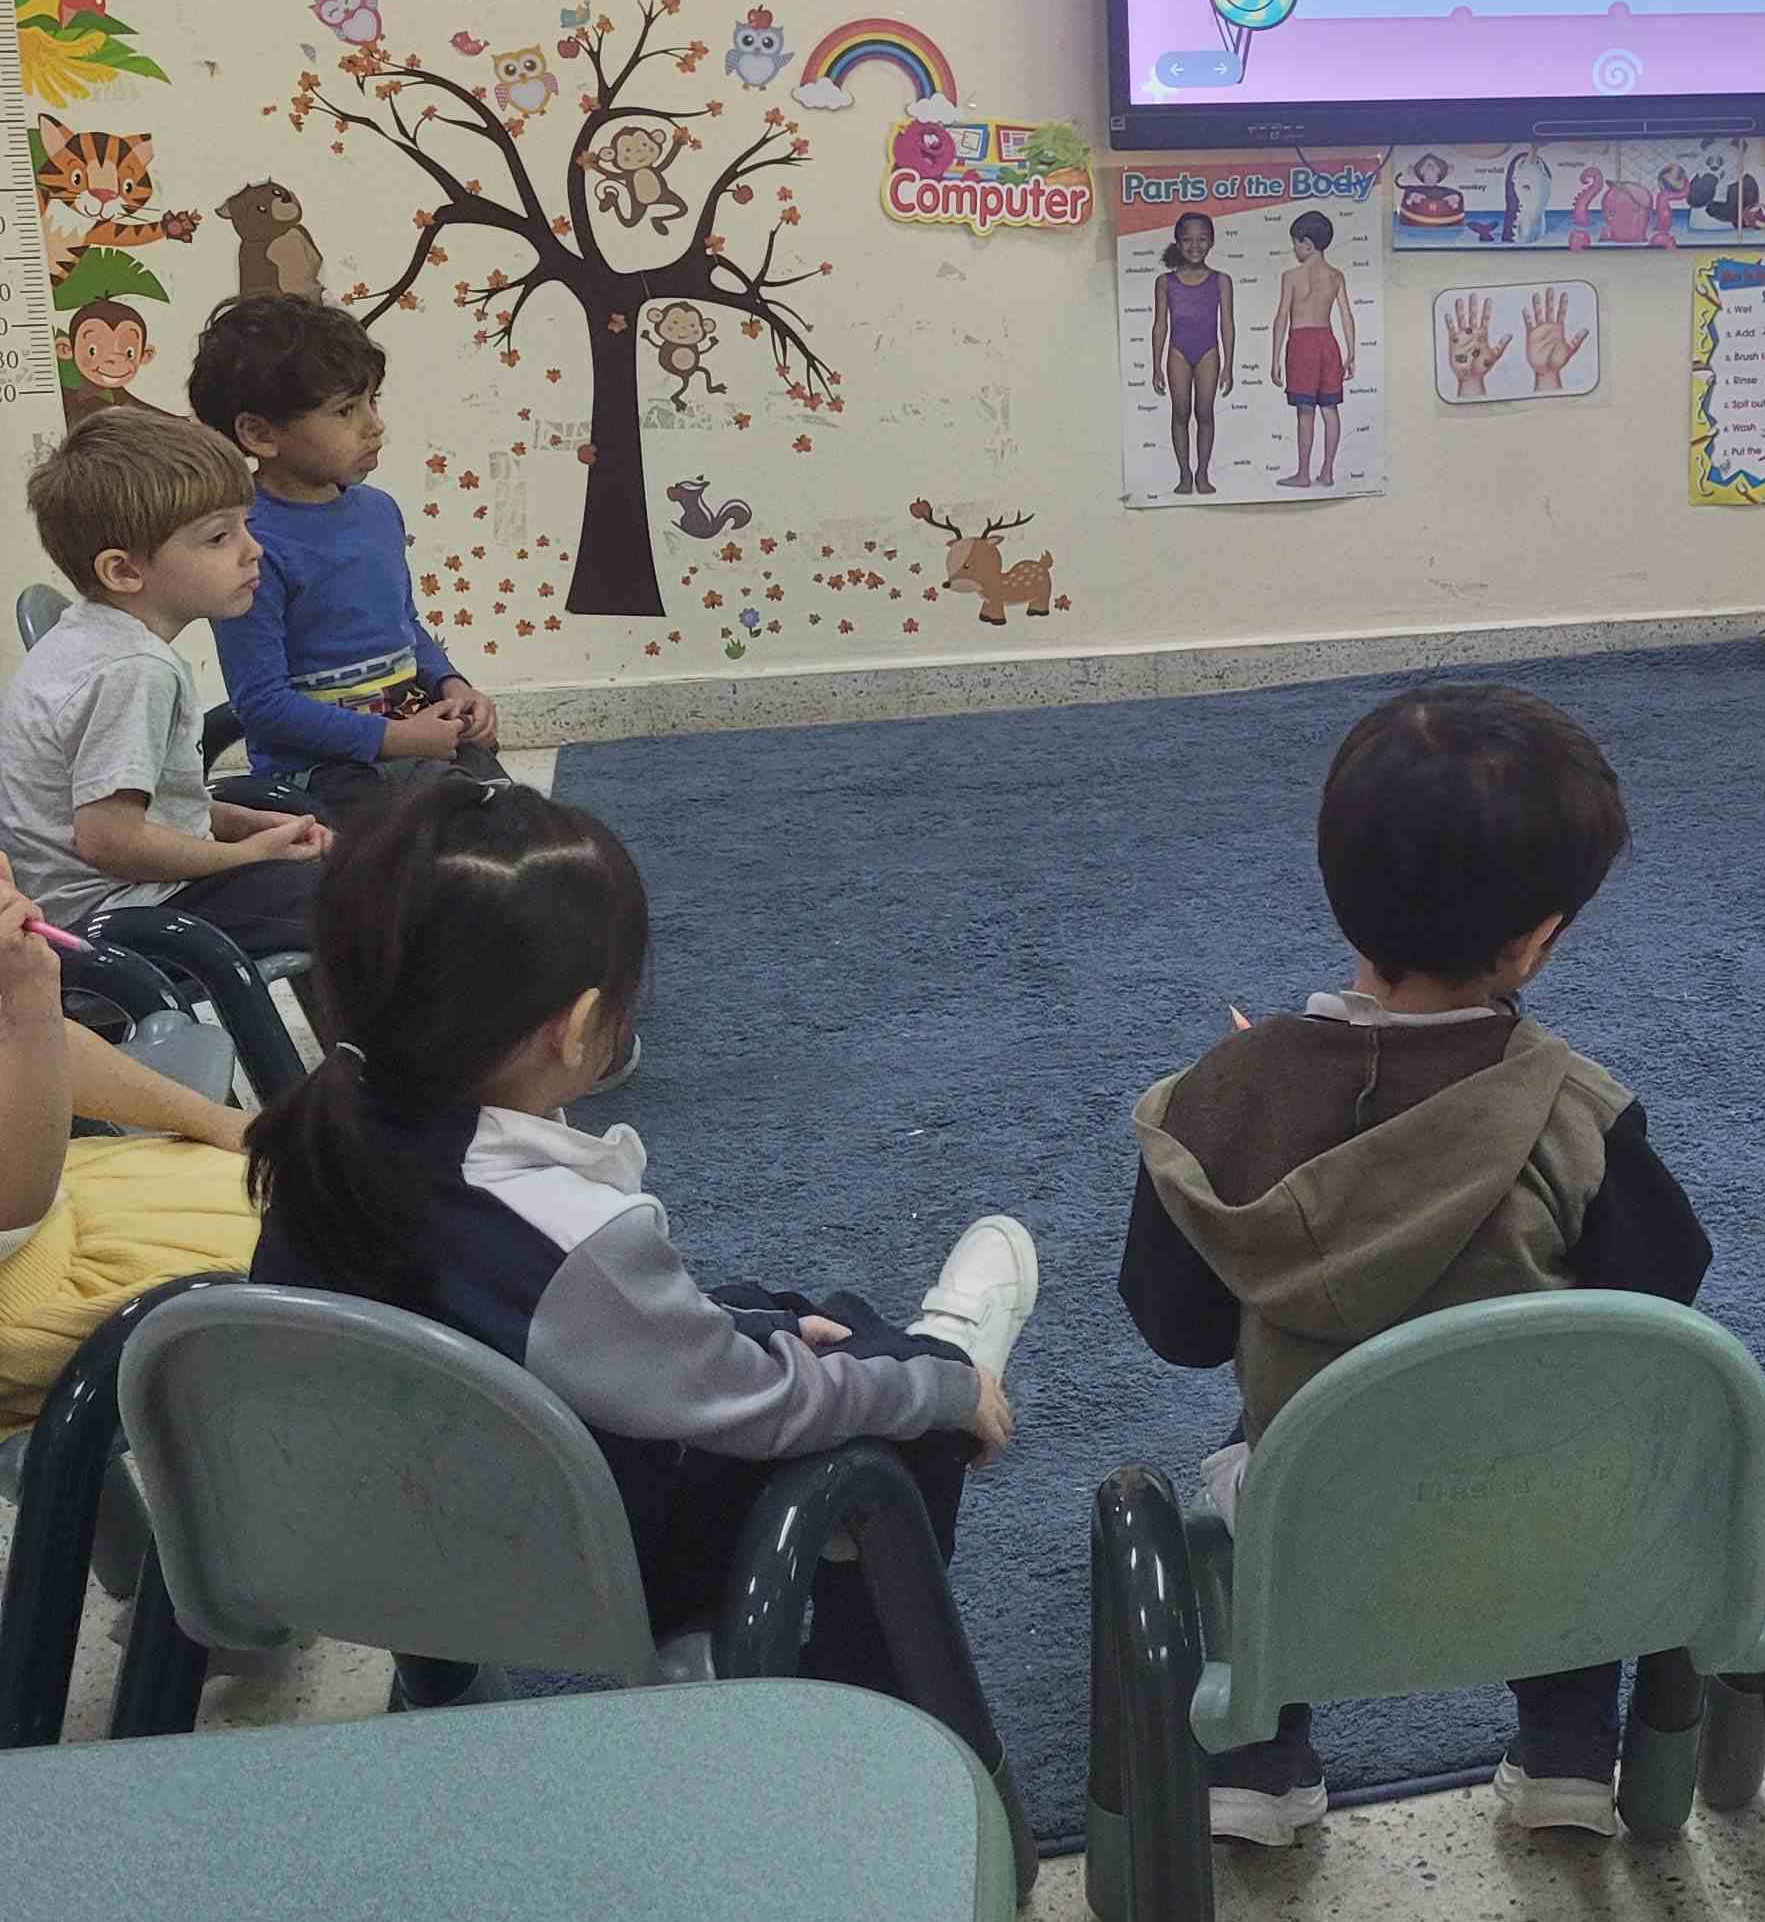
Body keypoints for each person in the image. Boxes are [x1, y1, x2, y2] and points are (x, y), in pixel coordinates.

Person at [244, 780, 1037, 1693]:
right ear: (580, 1028)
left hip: (380, 1540)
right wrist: (939, 1389)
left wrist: (759, 1329)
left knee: (777, 1317)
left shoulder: (321, 1144)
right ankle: (852, 1694)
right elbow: (769, 1407)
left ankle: (886, 1352)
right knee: (903, 1419)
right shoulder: (576, 1240)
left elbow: (540, 1327)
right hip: (571, 1566)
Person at [1117, 681, 1711, 1845]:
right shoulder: (1581, 1115)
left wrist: (1261, 1101)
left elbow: (1178, 1329)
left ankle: (1257, 1758)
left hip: (1312, 1511)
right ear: (1536, 940)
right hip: (1536, 1510)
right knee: (1572, 1443)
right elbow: (1657, 1314)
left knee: (1264, 1448)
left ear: (1336, 884)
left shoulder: (1212, 1103)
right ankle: (1569, 1749)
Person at [0, 410, 330, 956]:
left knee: (331, 870)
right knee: (353, 901)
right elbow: (110, 841)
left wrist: (245, 826)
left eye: (245, 525)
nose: (253, 549)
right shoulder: (135, 668)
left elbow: (148, 808)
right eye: (219, 537)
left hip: (112, 899)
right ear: (124, 572)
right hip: (120, 918)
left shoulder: (88, 635)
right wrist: (248, 857)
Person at [184, 293, 504, 818]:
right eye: (345, 410)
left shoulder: (379, 512)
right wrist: (392, 740)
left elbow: (405, 626)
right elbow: (262, 706)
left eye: (373, 401)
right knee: (448, 826)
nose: (374, 425)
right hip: (321, 772)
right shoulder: (245, 545)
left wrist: (452, 685)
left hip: (407, 740)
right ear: (260, 434)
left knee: (506, 808)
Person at [0, 853, 259, 1432]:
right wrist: (26, 1000)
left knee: (310, 1190)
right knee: (319, 1260)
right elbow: (11, 1212)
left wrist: (217, 1123)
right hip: (29, 1302)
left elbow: (52, 1050)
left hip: (59, 1217)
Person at [1150, 212, 1232, 498]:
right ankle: (1184, 473)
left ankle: (1203, 473)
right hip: (1178, 353)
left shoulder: (1221, 281)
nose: (1194, 246)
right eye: (1187, 240)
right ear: (1177, 241)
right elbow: (1160, 325)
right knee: (1181, 413)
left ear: (1211, 242)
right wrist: (1156, 366)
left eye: (1202, 240)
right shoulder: (1165, 282)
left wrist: (1229, 365)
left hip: (1209, 351)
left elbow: (1227, 324)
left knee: (1205, 412)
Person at [1271, 209, 1354, 489]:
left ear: (1306, 244)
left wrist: (1275, 359)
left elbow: (1281, 318)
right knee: (1330, 408)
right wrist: (1351, 352)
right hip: (1328, 343)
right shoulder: (1336, 276)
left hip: (1301, 345)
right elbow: (1346, 316)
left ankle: (1303, 474)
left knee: (1305, 411)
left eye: (1295, 244)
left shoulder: (1291, 276)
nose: (1294, 249)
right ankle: (1327, 472)